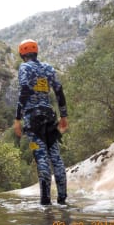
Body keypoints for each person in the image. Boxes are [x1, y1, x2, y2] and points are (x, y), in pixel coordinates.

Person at [13, 39, 69, 205]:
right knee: (56, 157)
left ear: (22, 54)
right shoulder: (48, 68)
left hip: (32, 121)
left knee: (41, 157)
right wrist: (63, 116)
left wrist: (18, 118)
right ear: (36, 52)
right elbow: (59, 90)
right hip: (50, 118)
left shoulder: (24, 67)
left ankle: (45, 202)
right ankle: (62, 199)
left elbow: (24, 89)